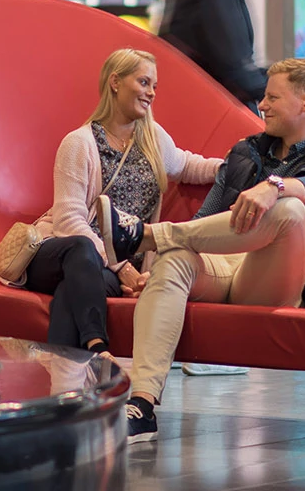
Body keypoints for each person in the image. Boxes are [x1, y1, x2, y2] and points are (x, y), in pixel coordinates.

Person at [122, 58, 305, 443]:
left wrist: (276, 186)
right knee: (175, 258)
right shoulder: (244, 152)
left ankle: (146, 235)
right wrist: (152, 271)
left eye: (272, 97)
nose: (262, 105)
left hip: (281, 282)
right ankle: (142, 405)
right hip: (225, 269)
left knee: (288, 209)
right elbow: (204, 222)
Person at [14, 49, 223, 355]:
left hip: (105, 269)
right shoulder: (79, 143)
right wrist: (122, 266)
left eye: (154, 86)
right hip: (62, 252)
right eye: (143, 82)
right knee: (82, 251)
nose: (151, 92)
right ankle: (98, 346)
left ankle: (66, 380)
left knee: (73, 291)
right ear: (115, 82)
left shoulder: (152, 138)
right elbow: (69, 223)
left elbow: (189, 165)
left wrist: (238, 167)